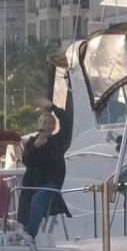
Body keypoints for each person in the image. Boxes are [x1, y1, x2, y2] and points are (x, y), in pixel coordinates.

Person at [16, 97, 74, 237]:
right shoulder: (31, 142)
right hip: (32, 183)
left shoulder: (58, 141)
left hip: (49, 184)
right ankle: (26, 236)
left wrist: (52, 106)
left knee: (37, 200)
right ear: (39, 124)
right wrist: (35, 147)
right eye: (44, 122)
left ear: (54, 127)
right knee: (28, 204)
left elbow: (66, 122)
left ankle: (30, 236)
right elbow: (26, 160)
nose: (47, 125)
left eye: (50, 123)